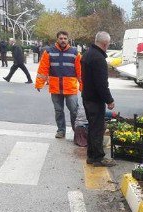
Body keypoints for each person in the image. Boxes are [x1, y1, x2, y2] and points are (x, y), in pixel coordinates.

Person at [35, 31, 82, 139]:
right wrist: (39, 83)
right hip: (55, 88)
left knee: (74, 110)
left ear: (68, 39)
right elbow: (43, 69)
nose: (63, 40)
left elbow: (80, 72)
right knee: (58, 111)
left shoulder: (75, 53)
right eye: (61, 38)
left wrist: (82, 85)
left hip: (70, 88)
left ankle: (77, 131)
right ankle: (61, 131)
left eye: (65, 38)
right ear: (57, 39)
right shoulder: (49, 52)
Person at [81, 31, 116, 167]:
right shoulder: (98, 58)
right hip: (95, 100)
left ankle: (91, 155)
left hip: (87, 97)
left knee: (92, 128)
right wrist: (109, 100)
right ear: (105, 44)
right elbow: (101, 84)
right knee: (97, 129)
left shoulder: (87, 54)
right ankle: (98, 158)